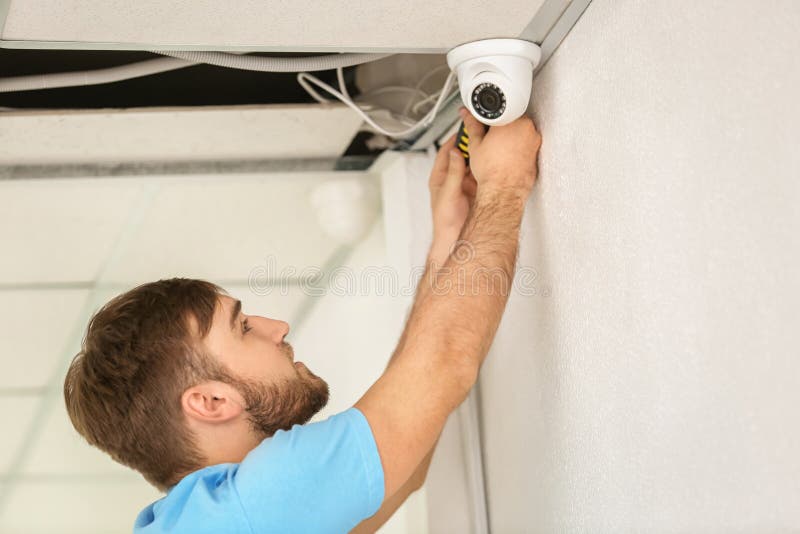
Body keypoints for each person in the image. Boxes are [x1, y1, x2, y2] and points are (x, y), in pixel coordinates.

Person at [63, 105, 542, 533]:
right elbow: (442, 365)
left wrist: (449, 243)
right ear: (210, 400)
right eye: (244, 328)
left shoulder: (223, 519)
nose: (278, 328)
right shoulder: (251, 509)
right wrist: (504, 186)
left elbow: (405, 461)